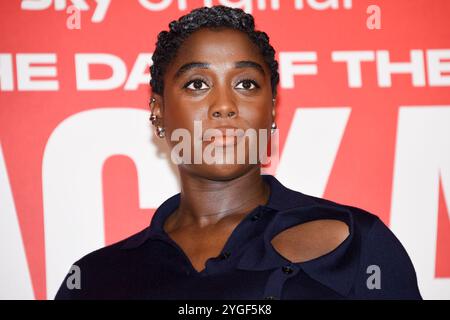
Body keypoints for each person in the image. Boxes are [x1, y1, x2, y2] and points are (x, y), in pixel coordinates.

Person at [55, 5, 421, 300]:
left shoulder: (358, 242)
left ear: (271, 109)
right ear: (158, 111)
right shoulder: (96, 278)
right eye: (197, 84)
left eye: (246, 84)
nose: (225, 106)